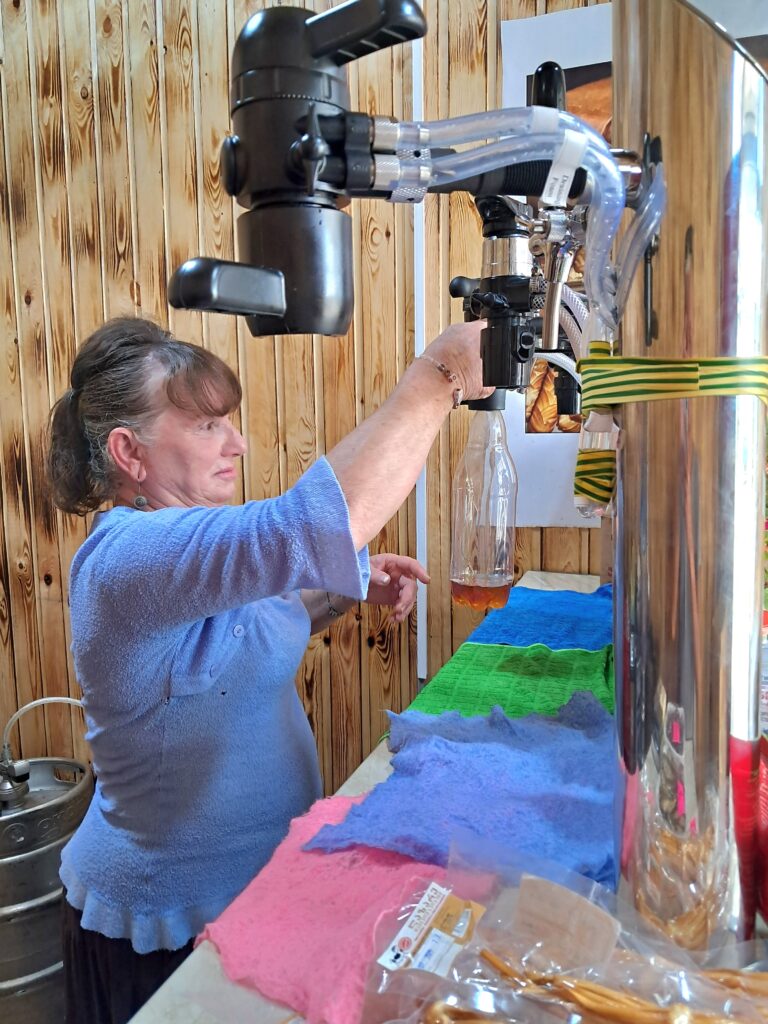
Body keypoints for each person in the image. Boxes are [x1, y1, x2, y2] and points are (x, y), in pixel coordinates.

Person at [46, 315, 491, 1023]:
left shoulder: (182, 555)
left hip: (256, 891)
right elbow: (308, 529)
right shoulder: (127, 557)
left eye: (229, 422)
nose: (237, 443)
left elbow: (244, 629)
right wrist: (440, 375)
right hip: (163, 925)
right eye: (206, 426)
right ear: (129, 452)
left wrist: (345, 585)